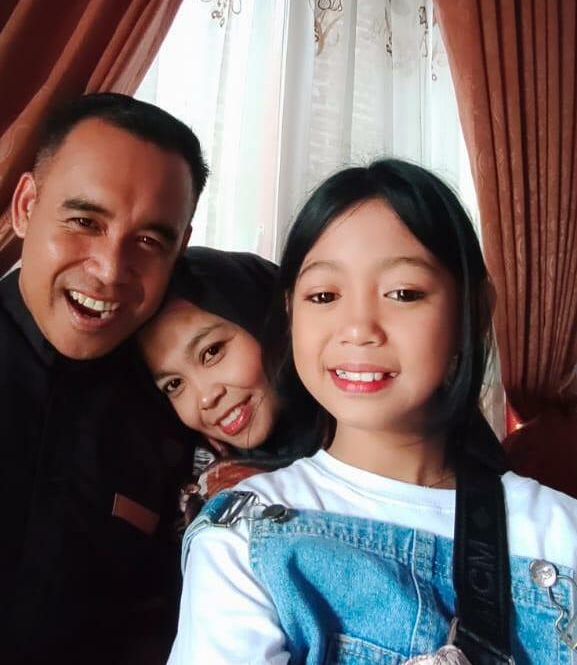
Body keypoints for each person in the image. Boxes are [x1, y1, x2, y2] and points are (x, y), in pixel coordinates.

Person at [169, 159, 577, 665]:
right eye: (324, 295)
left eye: (403, 293)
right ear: (292, 313)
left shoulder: (560, 533)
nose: (358, 328)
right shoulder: (244, 538)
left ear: (471, 312)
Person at [0, 93, 208, 664]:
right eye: (84, 221)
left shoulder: (180, 405)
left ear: (180, 249)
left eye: (149, 241)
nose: (111, 269)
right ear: (26, 206)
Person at [139, 246, 320, 522]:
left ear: (272, 325)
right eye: (174, 384)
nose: (205, 398)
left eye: (211, 352)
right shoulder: (199, 496)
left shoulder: (375, 439)